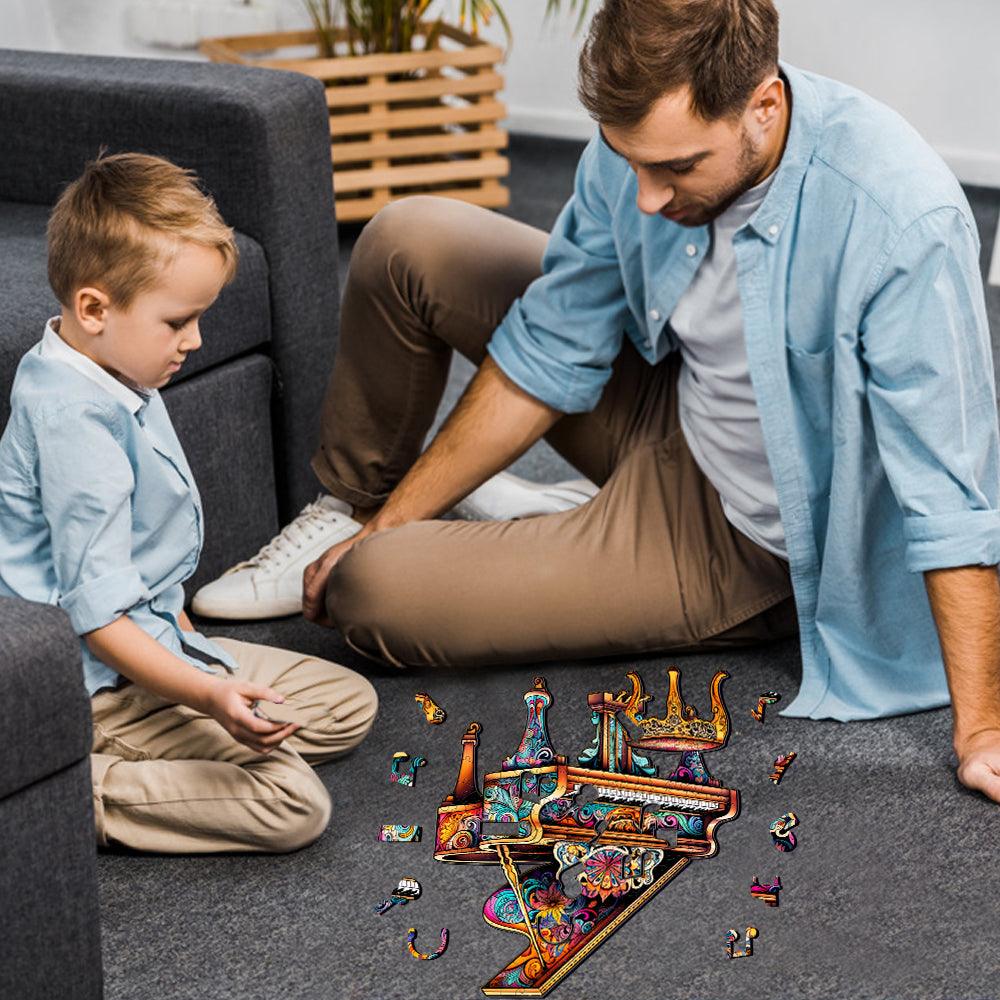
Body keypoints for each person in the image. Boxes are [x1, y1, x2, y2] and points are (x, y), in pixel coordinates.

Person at [194, 0, 1000, 803]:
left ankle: (512, 528)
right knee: (409, 242)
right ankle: (354, 508)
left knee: (368, 591)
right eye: (631, 160)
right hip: (674, 399)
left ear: (764, 106)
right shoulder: (643, 145)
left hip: (750, 538)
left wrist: (982, 731)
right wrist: (385, 521)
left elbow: (948, 492)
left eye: (678, 168)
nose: (647, 196)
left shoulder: (899, 218)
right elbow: (553, 342)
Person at [0, 152, 378, 853]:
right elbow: (100, 622)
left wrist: (190, 652)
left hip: (152, 644)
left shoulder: (112, 369)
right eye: (178, 322)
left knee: (349, 706)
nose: (195, 341)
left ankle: (189, 748)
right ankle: (74, 788)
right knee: (293, 805)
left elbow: (142, 566)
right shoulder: (72, 423)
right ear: (94, 308)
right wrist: (205, 695)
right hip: (99, 685)